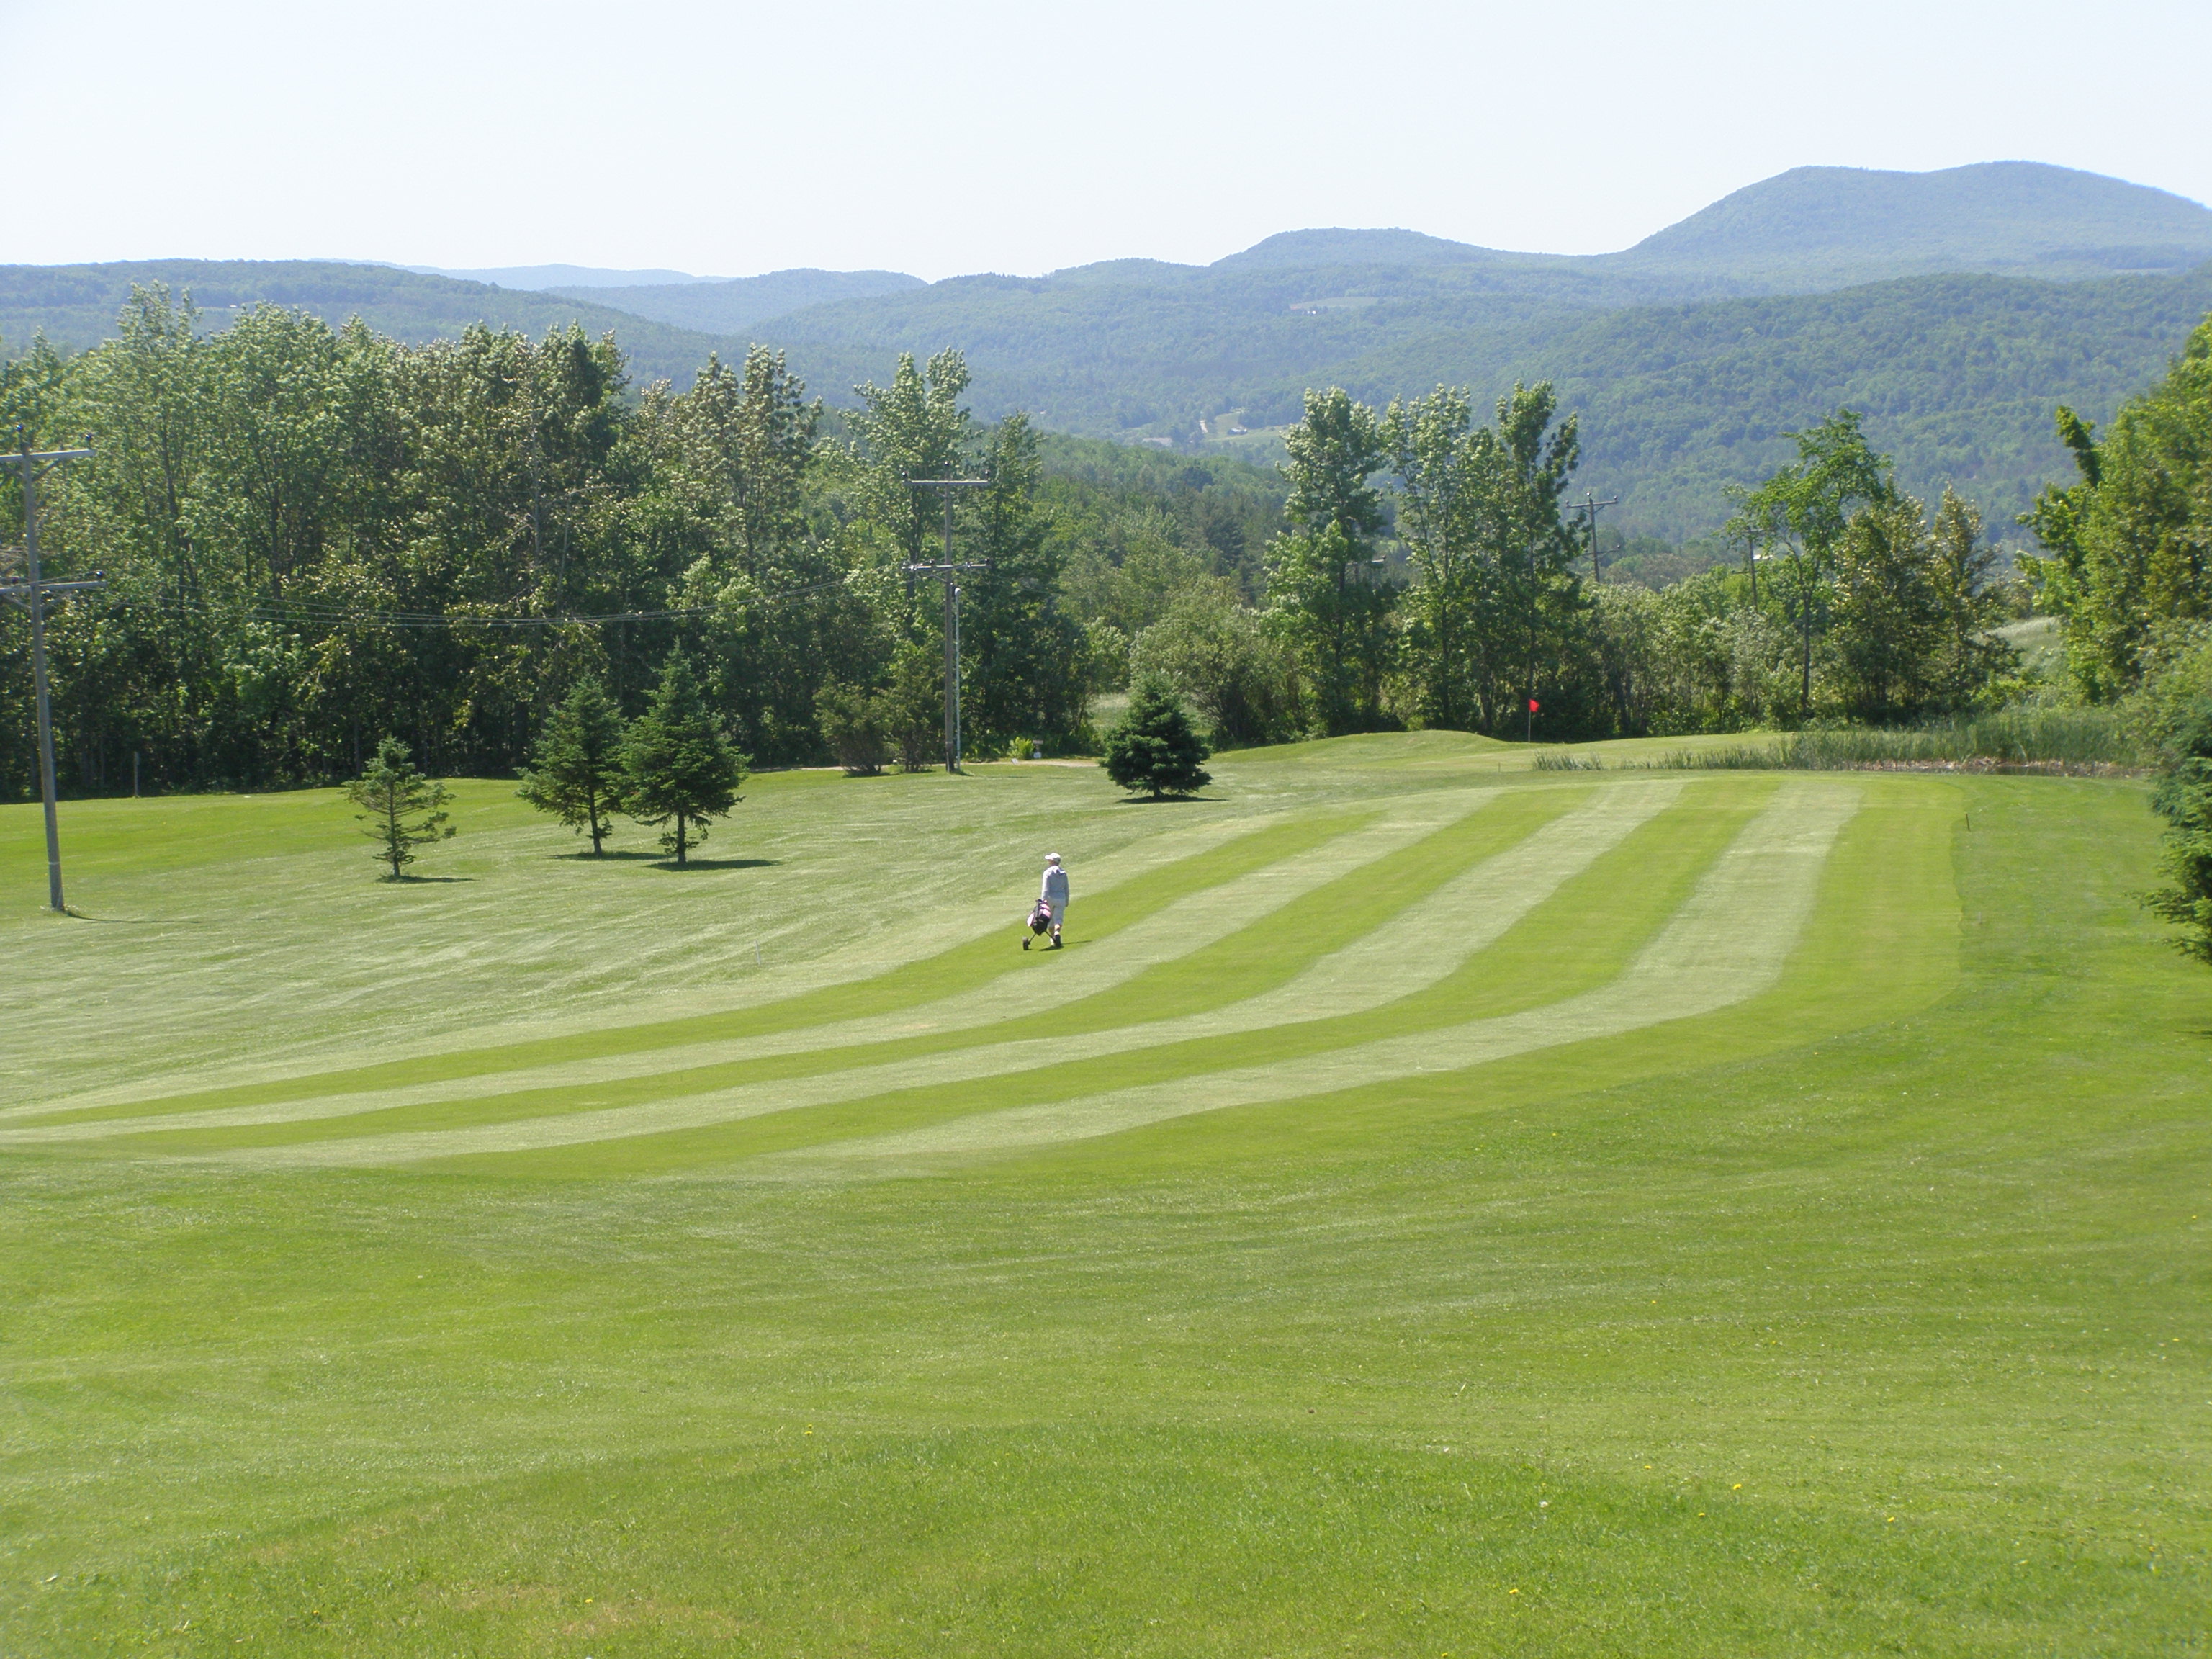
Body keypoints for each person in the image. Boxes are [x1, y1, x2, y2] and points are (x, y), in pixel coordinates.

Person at [1040, 852, 1069, 949]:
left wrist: (1043, 901)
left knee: (1051, 920)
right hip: (1061, 898)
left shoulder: (1047, 873)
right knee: (1058, 919)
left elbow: (1045, 889)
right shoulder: (1063, 873)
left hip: (1050, 899)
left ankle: (1053, 938)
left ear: (1053, 862)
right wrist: (1067, 900)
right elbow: (1066, 888)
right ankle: (1057, 933)